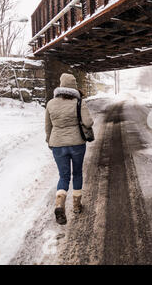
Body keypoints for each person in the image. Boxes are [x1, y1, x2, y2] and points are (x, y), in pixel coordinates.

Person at [45, 73, 94, 225]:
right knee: (77, 173)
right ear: (73, 86)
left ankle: (59, 205)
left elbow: (48, 127)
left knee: (63, 176)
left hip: (58, 145)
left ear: (60, 85)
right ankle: (77, 206)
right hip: (77, 143)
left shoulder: (51, 104)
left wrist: (50, 141)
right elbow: (89, 122)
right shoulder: (79, 102)